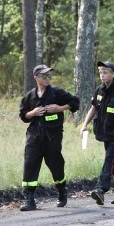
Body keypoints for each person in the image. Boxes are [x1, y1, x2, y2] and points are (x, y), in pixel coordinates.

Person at [18, 64, 80, 212]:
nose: (47, 78)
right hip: (34, 137)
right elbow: (23, 115)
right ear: (36, 77)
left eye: (48, 75)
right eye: (43, 75)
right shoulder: (30, 96)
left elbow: (75, 102)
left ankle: (61, 191)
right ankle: (29, 199)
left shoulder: (56, 93)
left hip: (53, 137)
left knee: (56, 165)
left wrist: (59, 108)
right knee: (30, 164)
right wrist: (32, 113)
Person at [80, 61, 114, 205]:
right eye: (101, 72)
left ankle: (101, 189)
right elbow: (93, 108)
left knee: (109, 158)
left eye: (105, 72)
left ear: (113, 74)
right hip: (105, 133)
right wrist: (84, 125)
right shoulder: (99, 91)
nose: (102, 75)